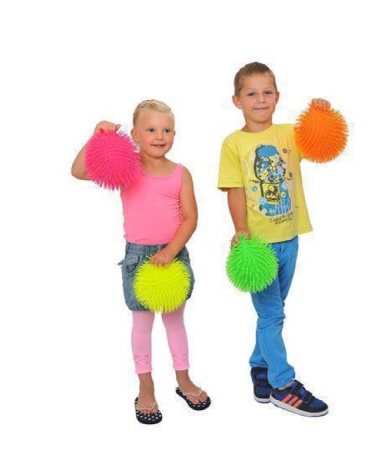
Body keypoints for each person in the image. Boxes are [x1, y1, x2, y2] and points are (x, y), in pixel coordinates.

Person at [72, 99, 210, 424]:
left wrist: (170, 251)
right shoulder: (125, 169)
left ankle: (183, 379)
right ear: (134, 134)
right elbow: (78, 172)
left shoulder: (181, 174)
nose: (159, 136)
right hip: (138, 258)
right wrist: (96, 137)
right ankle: (145, 386)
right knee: (142, 325)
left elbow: (190, 218)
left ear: (174, 133)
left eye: (166, 130)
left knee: (175, 322)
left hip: (173, 256)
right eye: (151, 130)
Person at [218, 62, 331, 417]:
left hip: (290, 238)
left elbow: (319, 144)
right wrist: (240, 229)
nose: (260, 99)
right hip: (259, 248)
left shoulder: (289, 135)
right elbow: (235, 190)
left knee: (273, 311)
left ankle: (260, 365)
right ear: (237, 100)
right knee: (272, 315)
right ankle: (282, 384)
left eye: (267, 92)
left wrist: (320, 114)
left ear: (278, 97)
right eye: (251, 93)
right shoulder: (234, 143)